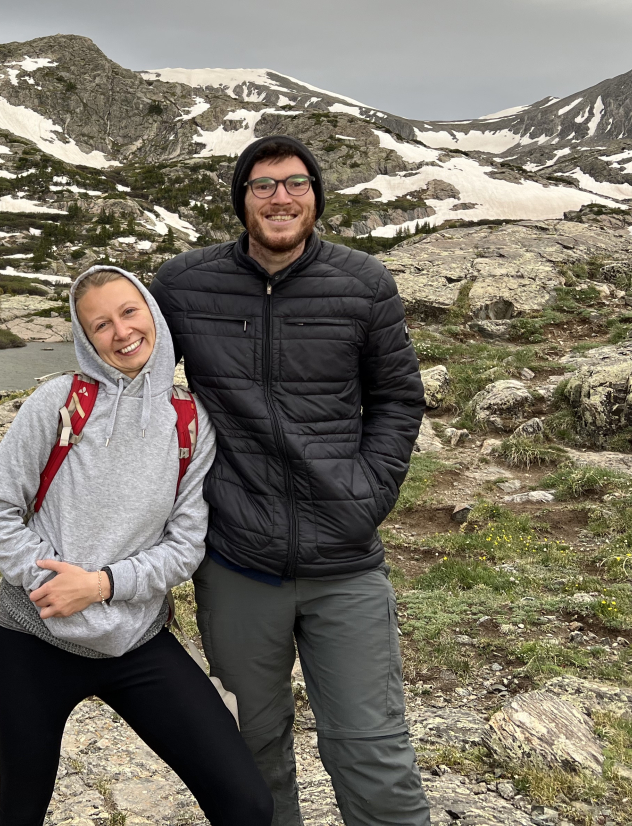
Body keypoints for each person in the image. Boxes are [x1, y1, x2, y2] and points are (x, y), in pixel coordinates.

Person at [149, 135, 430, 826]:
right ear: (242, 200)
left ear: (316, 197)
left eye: (296, 183)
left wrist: (367, 494)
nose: (281, 198)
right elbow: (130, 375)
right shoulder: (183, 285)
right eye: (264, 185)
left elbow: (398, 399)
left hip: (345, 562)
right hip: (236, 561)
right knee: (250, 753)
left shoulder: (363, 284)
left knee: (372, 751)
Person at [0, 265, 273, 826]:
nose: (121, 332)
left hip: (138, 642)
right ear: (86, 339)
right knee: (20, 813)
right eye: (101, 324)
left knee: (247, 804)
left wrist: (100, 585)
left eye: (129, 312)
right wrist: (50, 584)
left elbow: (185, 545)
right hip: (34, 641)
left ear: (152, 313)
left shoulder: (190, 420)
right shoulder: (59, 402)